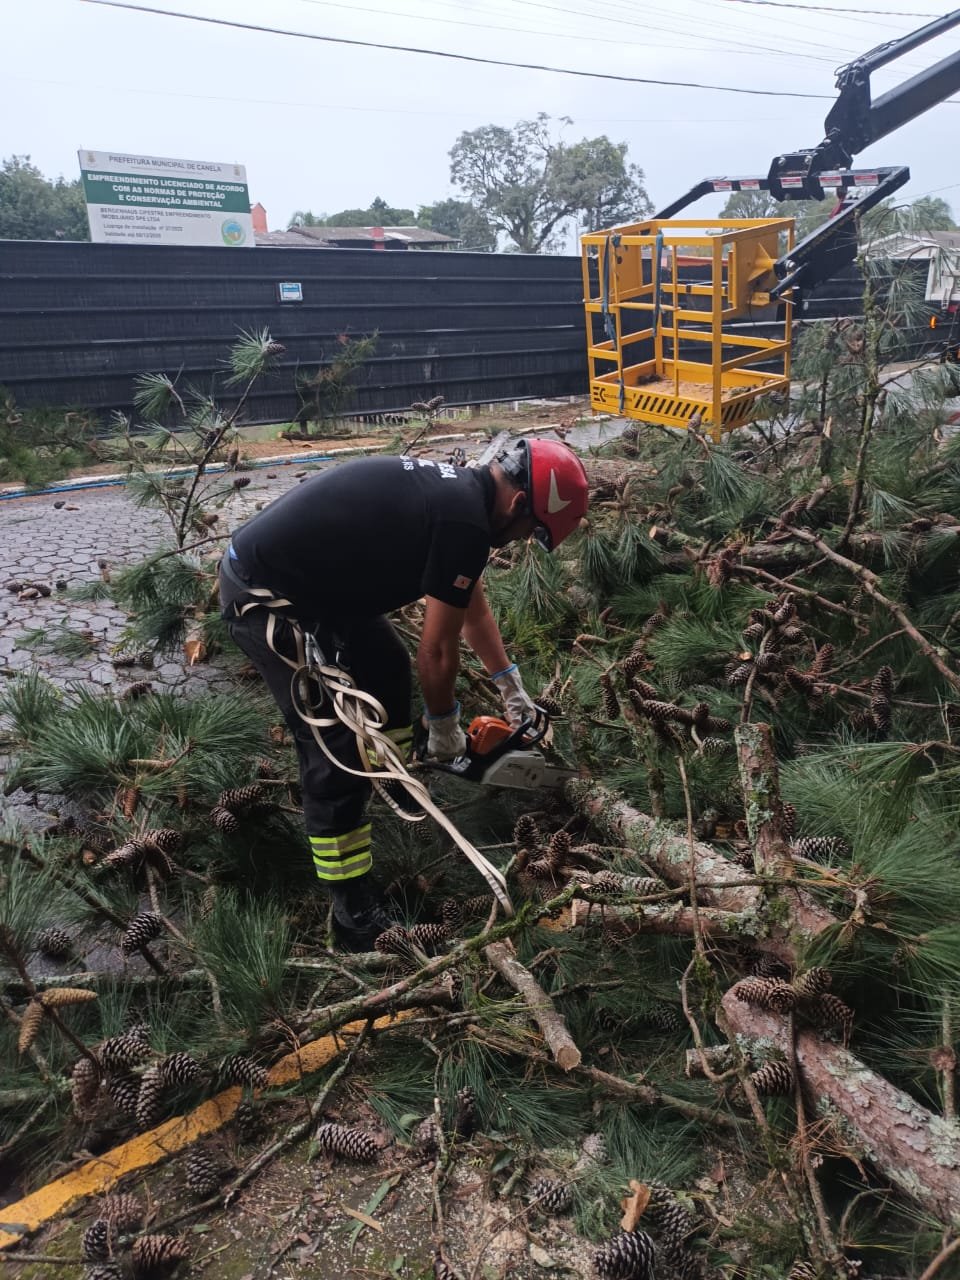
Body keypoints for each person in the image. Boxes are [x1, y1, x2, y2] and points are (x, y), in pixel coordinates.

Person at [219, 436, 589, 949]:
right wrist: (444, 727)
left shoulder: (466, 500)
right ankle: (352, 914)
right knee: (333, 748)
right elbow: (436, 653)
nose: (523, 539)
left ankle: (393, 779)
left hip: (325, 589)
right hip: (269, 599)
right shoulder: (464, 519)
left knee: (386, 667)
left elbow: (471, 606)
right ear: (519, 503)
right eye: (531, 531)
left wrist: (511, 686)